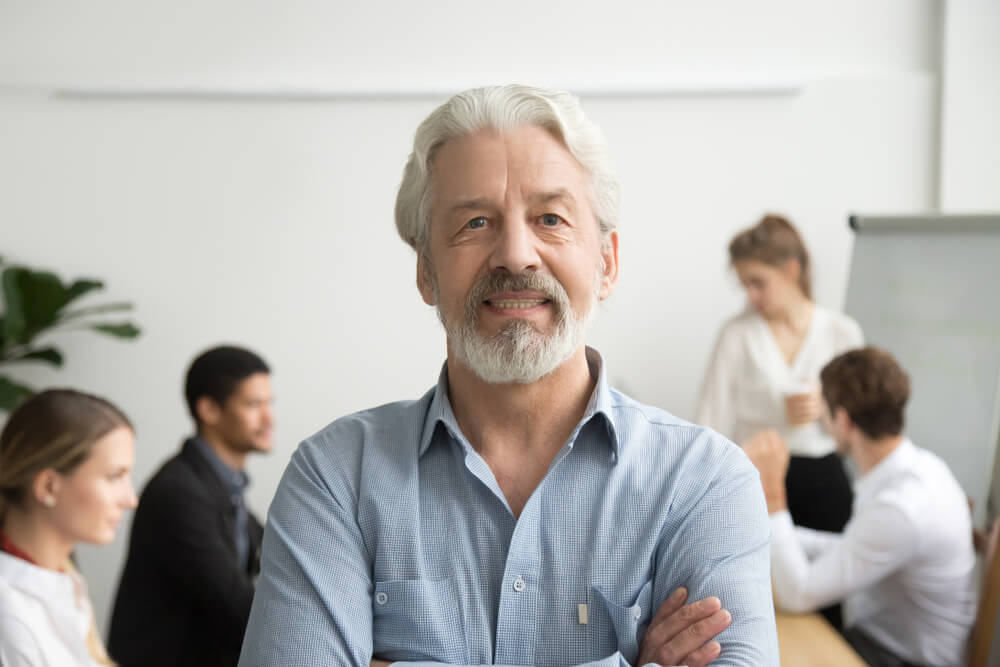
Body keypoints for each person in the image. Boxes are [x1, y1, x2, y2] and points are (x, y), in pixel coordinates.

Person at [238, 85, 778, 667]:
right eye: (475, 223)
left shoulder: (703, 483)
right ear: (426, 271)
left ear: (607, 263)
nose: (516, 255)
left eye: (550, 219)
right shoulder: (334, 479)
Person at [745, 347, 977, 667]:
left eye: (824, 411)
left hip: (901, 659)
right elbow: (852, 547)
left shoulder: (900, 508)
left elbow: (797, 594)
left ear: (843, 421)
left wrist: (772, 492)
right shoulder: (919, 470)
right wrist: (762, 532)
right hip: (880, 643)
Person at [109, 345, 273, 666]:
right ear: (209, 410)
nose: (269, 418)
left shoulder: (225, 486)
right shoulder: (179, 493)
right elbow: (240, 611)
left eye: (269, 404)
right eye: (254, 404)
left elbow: (281, 553)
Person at [0, 389, 138, 667]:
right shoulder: (11, 619)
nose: (130, 499)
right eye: (114, 477)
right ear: (48, 486)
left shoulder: (65, 580)